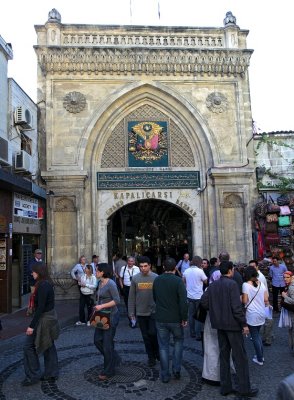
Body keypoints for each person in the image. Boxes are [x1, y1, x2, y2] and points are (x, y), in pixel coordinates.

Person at [201, 261, 258, 397]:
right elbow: (236, 308)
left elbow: (203, 302)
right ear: (231, 270)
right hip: (232, 326)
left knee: (224, 356)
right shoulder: (232, 284)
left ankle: (225, 387)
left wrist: (215, 310)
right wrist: (244, 324)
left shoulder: (213, 285)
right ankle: (244, 389)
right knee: (240, 357)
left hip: (219, 325)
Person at [22, 263, 60, 386]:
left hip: (45, 319)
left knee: (29, 346)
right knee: (48, 346)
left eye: (33, 271)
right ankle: (51, 373)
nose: (31, 273)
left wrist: (31, 326)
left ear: (39, 272)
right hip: (46, 318)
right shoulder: (43, 283)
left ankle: (34, 375)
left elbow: (41, 308)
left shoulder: (44, 285)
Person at [153, 257, 188, 383]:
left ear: (163, 267)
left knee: (163, 346)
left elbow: (154, 297)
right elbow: (183, 302)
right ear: (175, 268)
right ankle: (176, 369)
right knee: (178, 342)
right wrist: (184, 317)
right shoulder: (178, 281)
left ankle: (165, 374)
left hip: (161, 318)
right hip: (176, 319)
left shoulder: (157, 280)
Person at [128, 256, 159, 366]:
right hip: (140, 312)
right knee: (145, 336)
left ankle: (157, 351)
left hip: (153, 311)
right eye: (141, 266)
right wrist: (131, 313)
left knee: (153, 333)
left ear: (150, 266)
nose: (143, 268)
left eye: (145, 266)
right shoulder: (135, 279)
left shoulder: (156, 278)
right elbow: (131, 297)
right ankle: (151, 357)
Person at [94, 263, 121, 381]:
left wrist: (102, 306)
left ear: (103, 272)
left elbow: (117, 300)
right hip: (101, 316)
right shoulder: (100, 283)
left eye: (97, 270)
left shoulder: (111, 283)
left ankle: (108, 370)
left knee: (107, 344)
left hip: (111, 316)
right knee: (97, 340)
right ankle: (114, 357)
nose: (96, 272)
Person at [242, 266, 269, 366]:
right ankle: (260, 356)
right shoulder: (261, 284)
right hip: (261, 312)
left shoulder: (245, 285)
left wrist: (241, 297)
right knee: (257, 335)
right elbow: (266, 299)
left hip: (252, 314)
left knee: (255, 336)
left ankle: (260, 358)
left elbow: (245, 301)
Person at [249, 259, 273, 346]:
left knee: (267, 320)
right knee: (267, 319)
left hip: (264, 302)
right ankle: (267, 337)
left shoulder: (259, 277)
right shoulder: (255, 276)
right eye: (250, 267)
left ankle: (267, 339)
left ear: (257, 266)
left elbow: (262, 292)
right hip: (263, 301)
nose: (251, 268)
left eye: (253, 267)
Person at [182, 255, 207, 340]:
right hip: (198, 296)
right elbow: (205, 281)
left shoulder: (186, 271)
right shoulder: (200, 271)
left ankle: (192, 332)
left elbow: (183, 281)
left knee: (191, 315)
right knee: (199, 316)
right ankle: (198, 334)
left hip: (189, 296)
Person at [119, 256, 140, 325]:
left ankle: (136, 319)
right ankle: (131, 321)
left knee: (136, 303)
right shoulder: (123, 268)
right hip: (126, 288)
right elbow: (120, 278)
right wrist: (122, 287)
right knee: (128, 304)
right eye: (129, 261)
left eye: (132, 261)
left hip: (135, 288)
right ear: (127, 261)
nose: (130, 262)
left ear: (134, 262)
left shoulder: (137, 269)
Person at [281, 271, 294, 350]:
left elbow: (293, 301)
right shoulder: (290, 285)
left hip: (292, 313)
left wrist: (284, 296)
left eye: (287, 277)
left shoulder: (292, 287)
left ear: (292, 277)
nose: (285, 279)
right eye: (284, 277)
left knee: (291, 332)